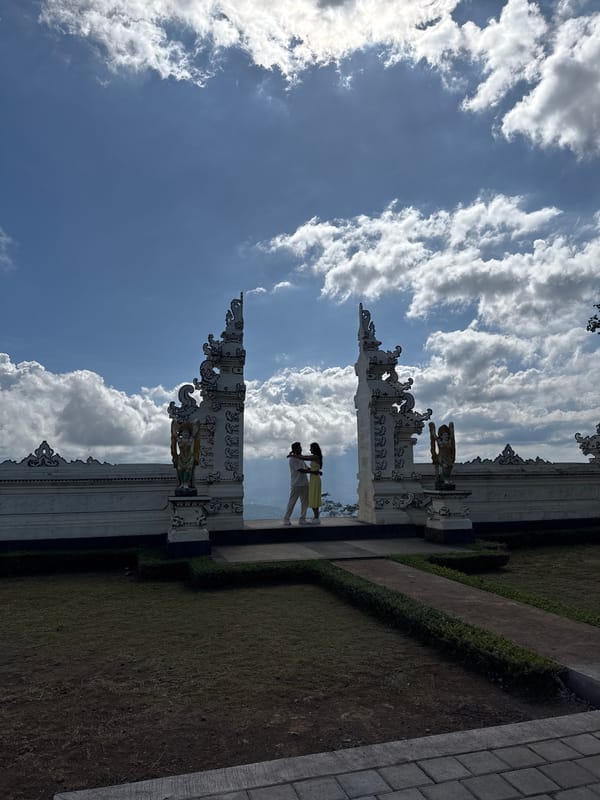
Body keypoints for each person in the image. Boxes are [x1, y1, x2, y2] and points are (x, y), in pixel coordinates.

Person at [282, 442, 309, 526]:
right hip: (296, 484)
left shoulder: (300, 458)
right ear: (295, 449)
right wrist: (313, 471)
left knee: (305, 502)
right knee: (292, 502)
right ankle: (286, 519)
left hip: (304, 483)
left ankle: (302, 519)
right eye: (299, 447)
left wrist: (315, 470)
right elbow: (301, 470)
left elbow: (306, 467)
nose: (301, 449)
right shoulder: (293, 459)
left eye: (300, 447)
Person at [299, 442, 323, 524]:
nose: (310, 449)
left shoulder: (315, 457)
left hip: (315, 480)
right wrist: (315, 471)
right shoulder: (316, 457)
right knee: (313, 497)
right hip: (314, 479)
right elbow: (313, 469)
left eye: (311, 448)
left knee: (314, 497)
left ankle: (316, 518)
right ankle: (316, 517)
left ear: (314, 448)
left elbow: (304, 458)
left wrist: (293, 455)